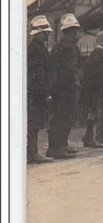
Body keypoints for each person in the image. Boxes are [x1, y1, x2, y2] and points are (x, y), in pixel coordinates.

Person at [46, 13, 83, 159]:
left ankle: (61, 145)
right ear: (72, 31)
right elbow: (69, 69)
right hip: (66, 89)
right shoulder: (68, 48)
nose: (78, 34)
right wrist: (76, 82)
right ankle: (57, 148)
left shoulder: (60, 46)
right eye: (76, 31)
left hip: (59, 87)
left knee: (62, 117)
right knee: (63, 117)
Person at [80, 30, 103, 148]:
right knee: (96, 112)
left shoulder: (95, 53)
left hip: (91, 88)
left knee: (92, 112)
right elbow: (101, 74)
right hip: (96, 89)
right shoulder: (101, 54)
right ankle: (94, 136)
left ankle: (88, 136)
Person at [27, 15, 54, 163]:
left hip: (36, 90)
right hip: (36, 91)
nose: (48, 35)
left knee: (35, 121)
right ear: (39, 33)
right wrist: (44, 92)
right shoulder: (36, 50)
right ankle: (32, 153)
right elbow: (38, 73)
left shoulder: (37, 49)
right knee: (34, 122)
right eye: (45, 32)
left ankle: (32, 152)